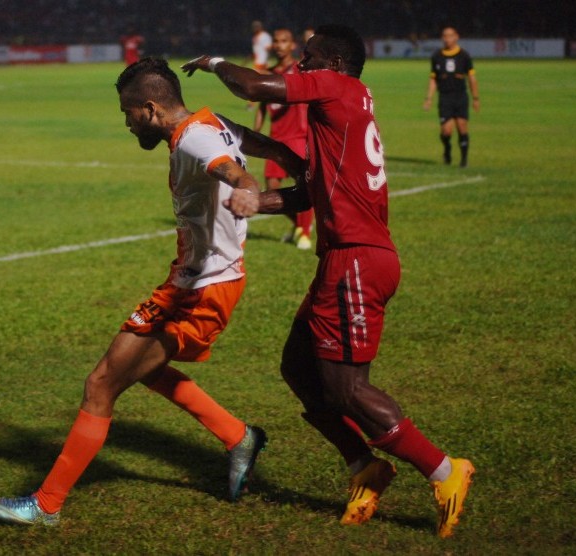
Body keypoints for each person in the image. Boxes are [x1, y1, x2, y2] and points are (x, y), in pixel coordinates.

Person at [0, 57, 304, 526]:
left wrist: (248, 189)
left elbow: (230, 171)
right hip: (185, 281)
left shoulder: (194, 137)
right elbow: (247, 140)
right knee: (141, 372)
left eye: (128, 114)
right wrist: (289, 158)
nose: (127, 124)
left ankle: (46, 504)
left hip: (206, 290)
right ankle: (238, 437)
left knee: (101, 384)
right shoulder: (208, 121)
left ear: (150, 110)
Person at [182, 25, 474, 538]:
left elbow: (254, 86)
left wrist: (212, 62)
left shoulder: (338, 88)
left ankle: (446, 471)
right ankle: (365, 465)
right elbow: (305, 194)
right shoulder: (337, 117)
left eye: (309, 60)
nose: (300, 68)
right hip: (344, 260)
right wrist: (255, 200)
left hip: (358, 261)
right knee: (299, 368)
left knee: (348, 389)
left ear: (334, 66)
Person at [252, 28, 312, 250]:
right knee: (272, 186)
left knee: (304, 185)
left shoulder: (300, 69)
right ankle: (299, 224)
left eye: (284, 41)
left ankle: (304, 233)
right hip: (276, 138)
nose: (279, 45)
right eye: (276, 41)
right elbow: (262, 106)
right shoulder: (268, 74)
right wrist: (255, 132)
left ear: (292, 45)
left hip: (298, 135)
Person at [422, 26, 480, 167]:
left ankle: (463, 161)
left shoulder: (464, 56)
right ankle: (447, 149)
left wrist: (475, 98)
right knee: (446, 131)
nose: (447, 39)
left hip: (460, 96)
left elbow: (472, 78)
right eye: (444, 36)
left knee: (462, 126)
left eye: (450, 35)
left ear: (456, 37)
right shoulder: (437, 56)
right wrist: (429, 98)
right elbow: (433, 79)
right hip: (445, 98)